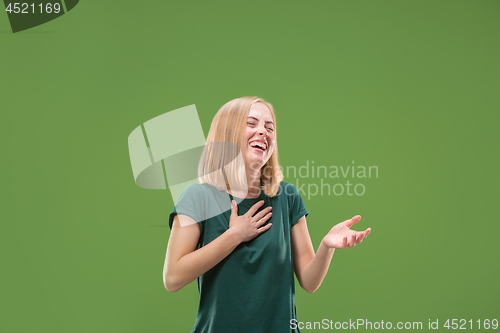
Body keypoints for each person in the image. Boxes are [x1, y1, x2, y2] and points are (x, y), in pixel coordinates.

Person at [163, 96, 371, 333]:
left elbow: (310, 282)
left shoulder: (287, 197)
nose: (263, 132)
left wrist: (327, 246)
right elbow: (173, 278)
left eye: (269, 128)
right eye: (251, 124)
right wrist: (235, 236)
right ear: (227, 134)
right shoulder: (198, 197)